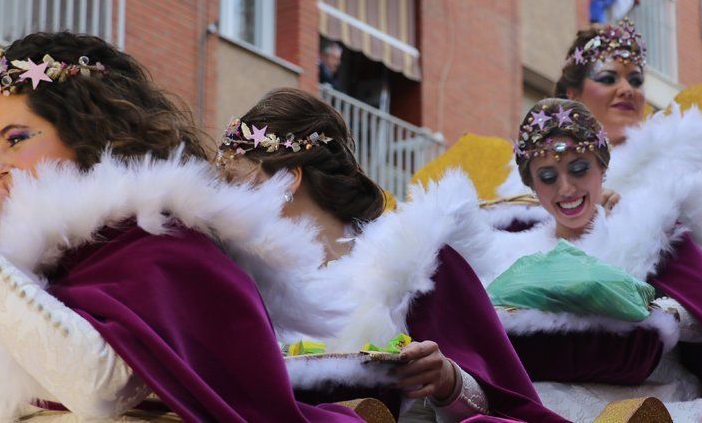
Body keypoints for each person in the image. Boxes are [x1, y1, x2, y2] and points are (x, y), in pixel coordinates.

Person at [0, 32, 368, 421]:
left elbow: (98, 387)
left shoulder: (163, 246)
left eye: (15, 139)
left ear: (85, 127)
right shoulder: (44, 262)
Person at [480, 20, 702, 421]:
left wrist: (634, 230)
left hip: (653, 387)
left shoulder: (678, 182)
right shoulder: (517, 212)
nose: (626, 89)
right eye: (608, 77)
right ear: (572, 93)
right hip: (546, 377)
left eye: (636, 78)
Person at [216, 87, 569, 423]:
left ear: (289, 180)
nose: (225, 204)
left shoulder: (414, 263)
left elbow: (507, 401)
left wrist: (448, 380)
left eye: (237, 183)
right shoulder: (245, 287)